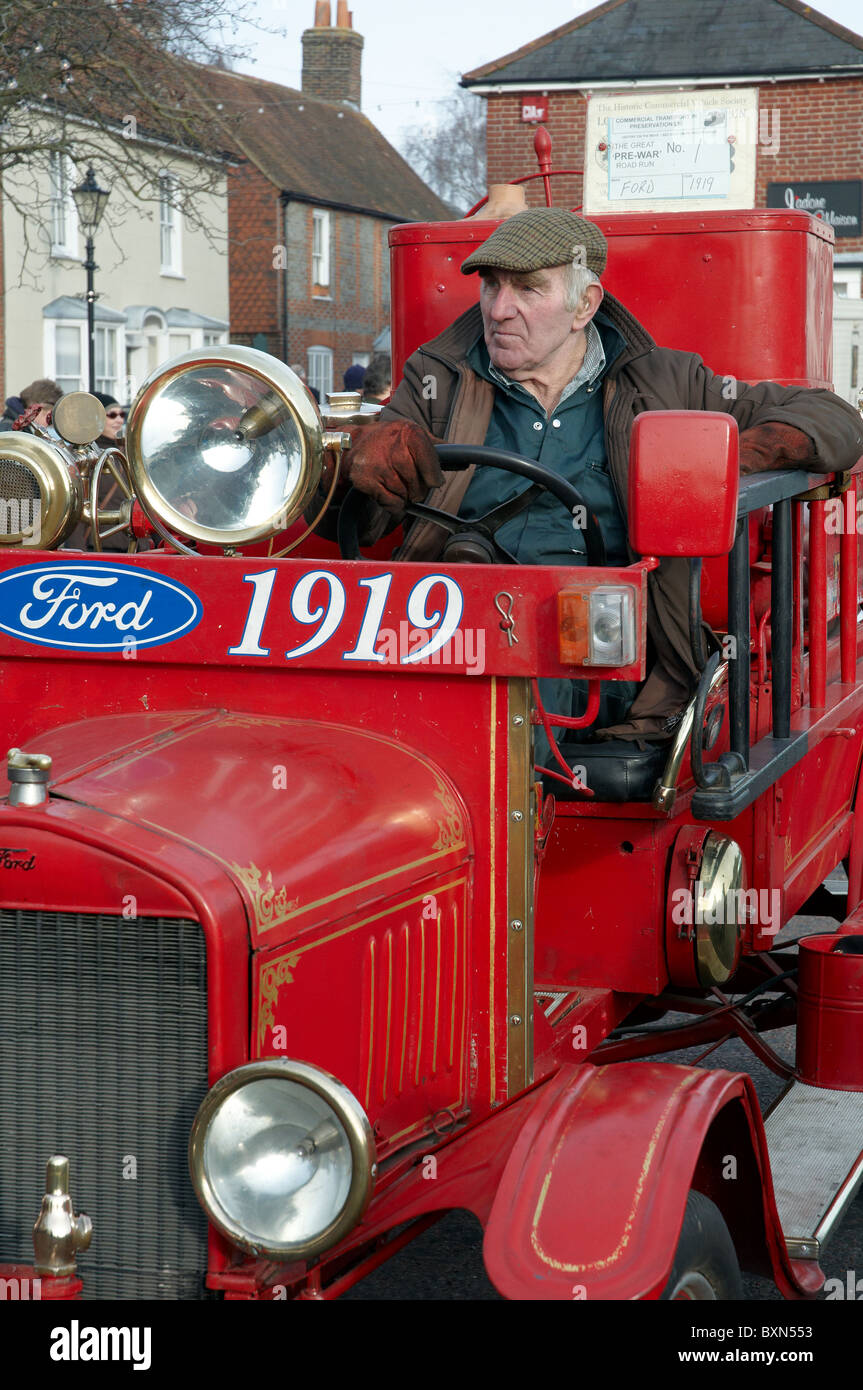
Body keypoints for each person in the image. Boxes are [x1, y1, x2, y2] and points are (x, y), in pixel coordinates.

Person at [335, 207, 863, 747]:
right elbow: (354, 522)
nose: (499, 309)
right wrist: (362, 466)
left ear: (584, 305)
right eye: (491, 286)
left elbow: (838, 421)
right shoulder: (437, 379)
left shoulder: (665, 382)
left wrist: (734, 456)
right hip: (448, 629)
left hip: (596, 648)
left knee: (525, 693)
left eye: (528, 289)